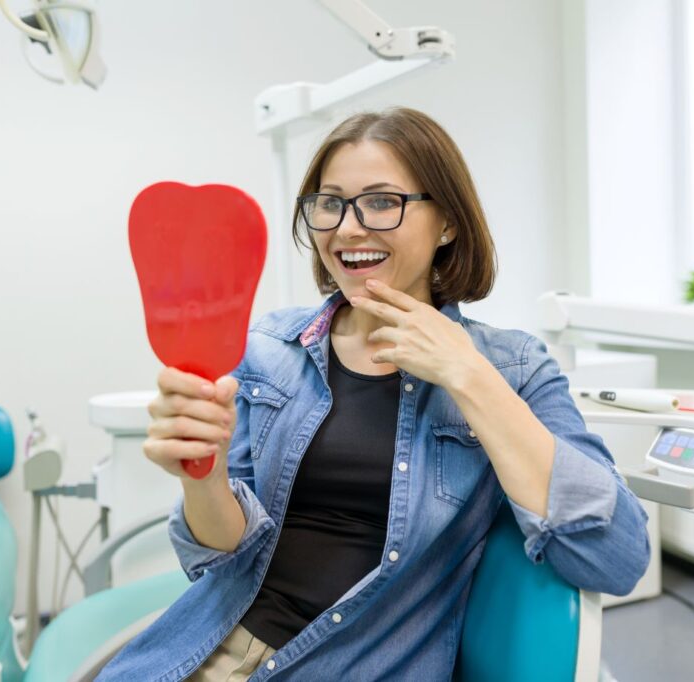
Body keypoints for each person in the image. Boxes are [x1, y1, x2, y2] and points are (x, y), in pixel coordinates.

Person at [97, 108, 650, 681]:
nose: (348, 228)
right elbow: (219, 558)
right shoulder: (266, 350)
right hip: (203, 651)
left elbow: (616, 556)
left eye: (383, 201)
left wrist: (467, 373)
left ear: (447, 223)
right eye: (329, 203)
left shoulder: (513, 368)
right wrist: (202, 477)